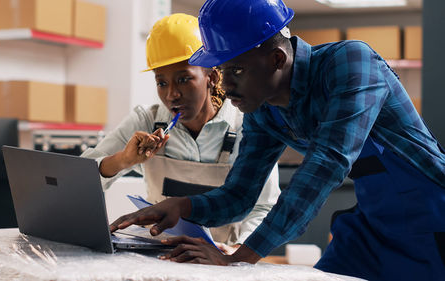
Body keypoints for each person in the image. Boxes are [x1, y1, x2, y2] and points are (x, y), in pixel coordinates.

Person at [109, 0, 445, 280]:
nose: (224, 84)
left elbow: (326, 165)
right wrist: (182, 207)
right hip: (373, 223)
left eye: (235, 70)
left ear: (277, 59)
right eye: (222, 71)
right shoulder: (264, 108)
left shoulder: (350, 64)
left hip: (434, 217)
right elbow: (240, 195)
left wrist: (237, 259)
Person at [81, 13, 280, 253]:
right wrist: (123, 160)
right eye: (161, 83)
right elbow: (81, 178)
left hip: (222, 261)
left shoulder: (246, 126)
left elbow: (264, 207)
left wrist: (238, 250)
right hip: (161, 255)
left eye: (184, 79)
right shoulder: (146, 120)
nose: (172, 94)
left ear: (212, 77)